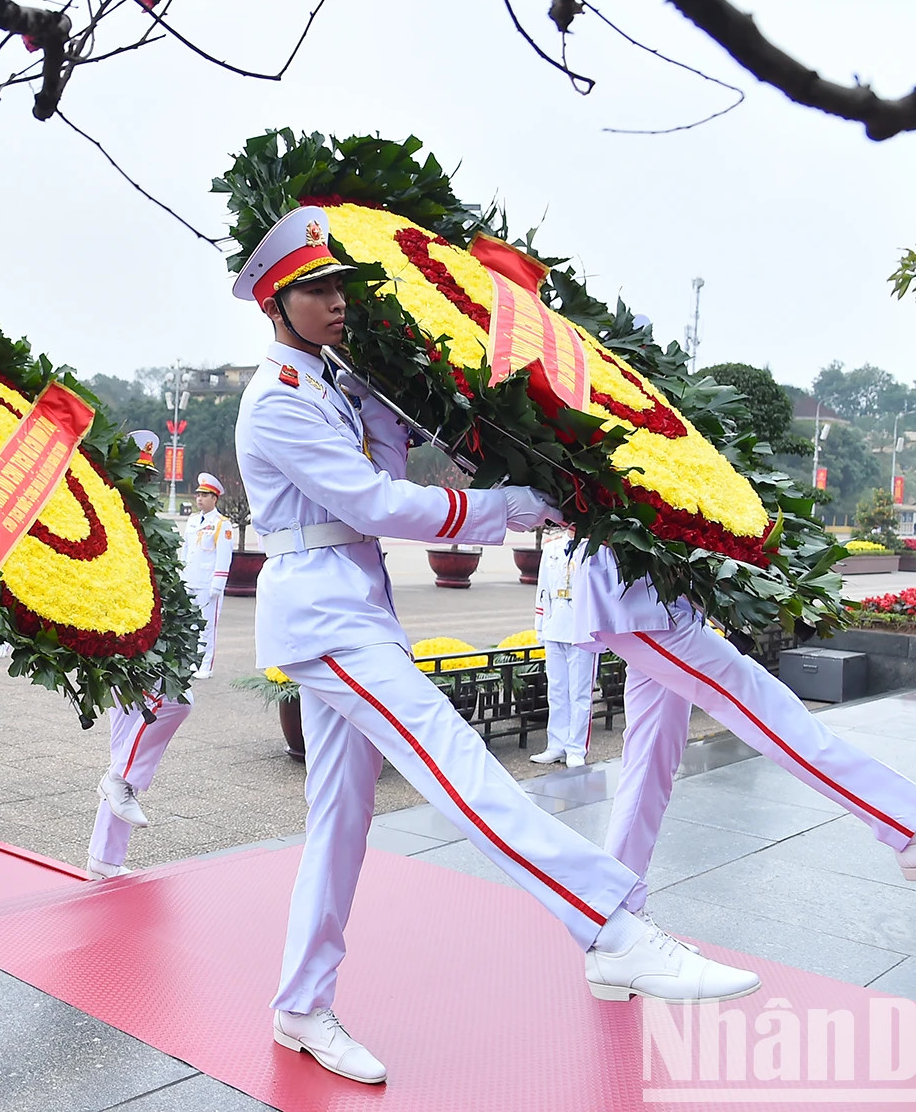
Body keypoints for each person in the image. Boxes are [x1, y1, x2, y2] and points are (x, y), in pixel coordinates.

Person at [232, 206, 758, 1086]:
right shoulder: (276, 403)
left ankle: (299, 1004)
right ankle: (612, 927)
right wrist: (503, 510)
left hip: (354, 606)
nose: (333, 302)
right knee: (459, 765)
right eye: (312, 290)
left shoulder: (335, 383)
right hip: (322, 615)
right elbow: (377, 506)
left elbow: (397, 461)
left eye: (336, 286)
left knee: (340, 820)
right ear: (272, 306)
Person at [580, 545, 916, 916]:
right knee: (767, 707)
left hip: (660, 597)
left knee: (650, 761)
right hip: (634, 600)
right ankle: (913, 830)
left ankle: (615, 912)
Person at [87, 439, 192, 881]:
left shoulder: (149, 524)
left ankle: (104, 858)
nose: (144, 486)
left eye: (149, 478)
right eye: (138, 477)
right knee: (171, 704)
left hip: (145, 641)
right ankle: (120, 785)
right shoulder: (107, 521)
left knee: (125, 746)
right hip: (116, 644)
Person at [530, 526, 595, 768]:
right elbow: (542, 588)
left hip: (582, 626)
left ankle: (576, 748)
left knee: (579, 692)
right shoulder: (551, 548)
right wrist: (540, 625)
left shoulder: (595, 547)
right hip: (554, 621)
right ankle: (556, 744)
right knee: (556, 690)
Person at [182, 472, 236, 679]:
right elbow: (187, 551)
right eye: (198, 495)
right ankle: (193, 661)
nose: (199, 499)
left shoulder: (222, 524)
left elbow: (224, 556)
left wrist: (218, 584)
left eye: (204, 495)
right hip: (191, 579)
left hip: (208, 582)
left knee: (207, 625)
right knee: (191, 624)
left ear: (214, 498)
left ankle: (206, 665)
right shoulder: (193, 520)